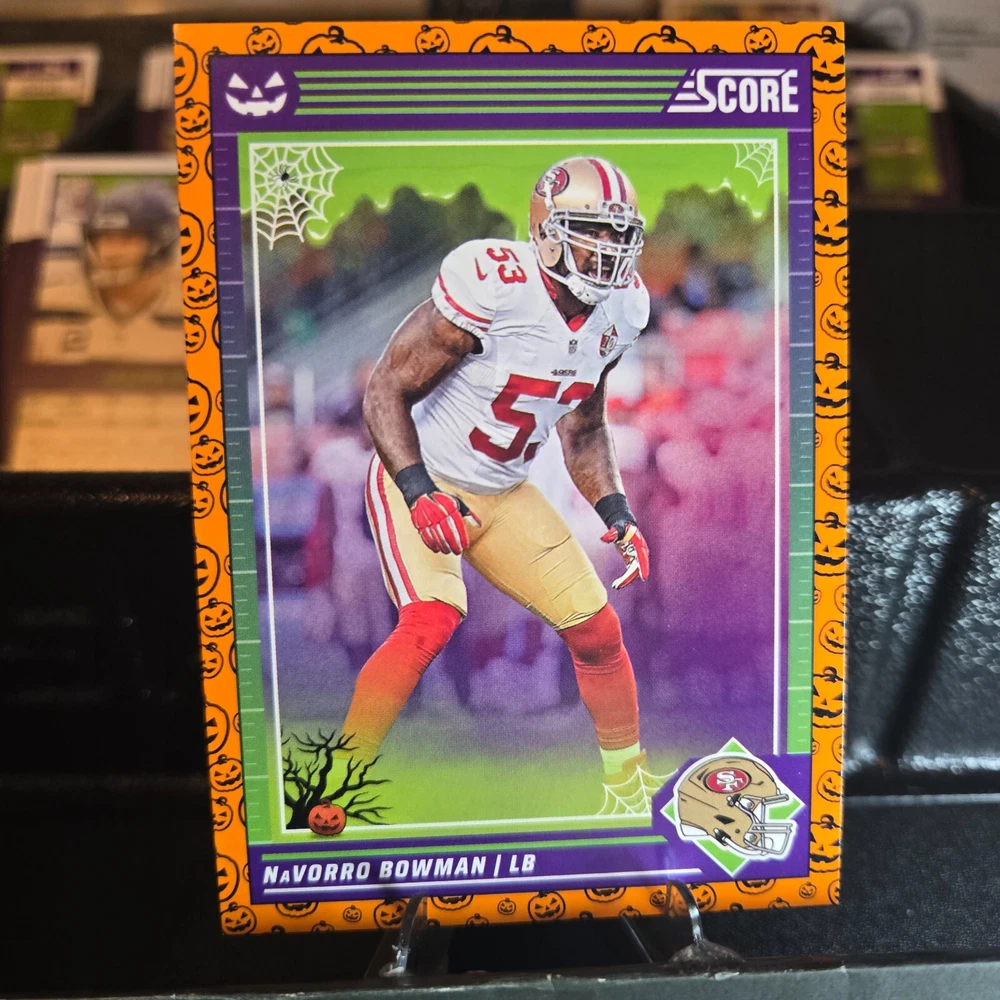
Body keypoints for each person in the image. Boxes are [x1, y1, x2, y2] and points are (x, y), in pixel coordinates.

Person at [337, 157, 657, 808]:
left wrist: (616, 511)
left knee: (597, 632)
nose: (609, 249)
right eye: (593, 231)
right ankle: (335, 782)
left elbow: (583, 428)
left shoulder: (622, 310)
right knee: (430, 619)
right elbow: (385, 390)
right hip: (425, 472)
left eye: (620, 234)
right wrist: (418, 490)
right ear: (547, 232)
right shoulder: (493, 285)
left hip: (504, 489)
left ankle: (628, 787)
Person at [31, 180, 182, 365]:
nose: (111, 253)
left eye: (127, 239)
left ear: (161, 244)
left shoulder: (194, 313)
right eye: (104, 238)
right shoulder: (49, 306)